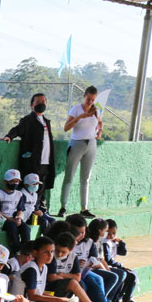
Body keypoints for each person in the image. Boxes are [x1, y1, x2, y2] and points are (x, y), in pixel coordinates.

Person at [3, 92, 56, 209]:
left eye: (43, 101)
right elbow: (17, 129)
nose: (41, 104)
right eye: (38, 102)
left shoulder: (46, 122)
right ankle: (29, 211)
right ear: (32, 105)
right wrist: (9, 136)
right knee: (30, 188)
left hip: (46, 162)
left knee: (42, 188)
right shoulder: (27, 120)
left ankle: (41, 210)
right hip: (33, 162)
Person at [59, 86, 102, 218]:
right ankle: (63, 206)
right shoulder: (76, 109)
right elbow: (66, 128)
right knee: (69, 176)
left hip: (91, 143)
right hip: (76, 143)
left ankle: (84, 208)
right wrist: (80, 117)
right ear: (84, 96)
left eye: (93, 100)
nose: (90, 102)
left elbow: (100, 123)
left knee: (85, 178)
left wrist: (100, 131)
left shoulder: (97, 109)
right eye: (88, 99)